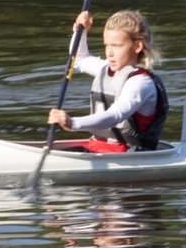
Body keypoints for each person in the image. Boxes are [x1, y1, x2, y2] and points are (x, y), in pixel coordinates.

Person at [47, 9, 169, 152]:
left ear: (137, 46)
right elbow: (79, 60)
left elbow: (115, 115)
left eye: (116, 46)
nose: (109, 53)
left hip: (129, 156)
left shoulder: (141, 83)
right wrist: (81, 31)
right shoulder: (107, 69)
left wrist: (72, 123)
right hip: (98, 148)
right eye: (106, 45)